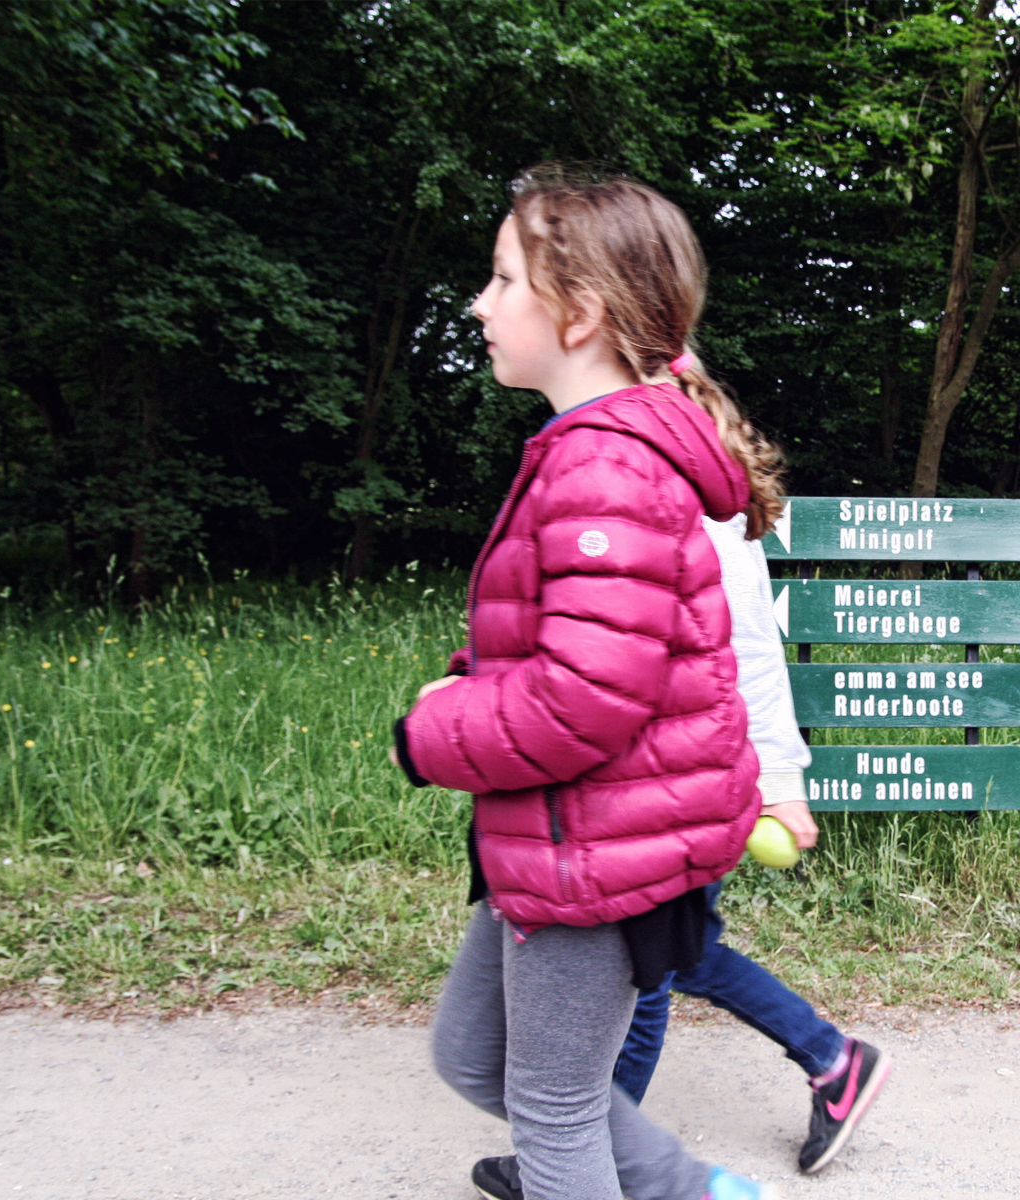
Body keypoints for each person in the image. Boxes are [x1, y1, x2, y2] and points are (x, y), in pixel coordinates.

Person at [392, 164, 785, 1200]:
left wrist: (429, 733)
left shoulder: (603, 466)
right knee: (472, 1059)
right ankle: (690, 1191)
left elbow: (585, 699)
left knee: (555, 1115)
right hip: (561, 831)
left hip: (591, 850)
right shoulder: (591, 452)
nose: (480, 304)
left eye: (504, 278)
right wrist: (469, 684)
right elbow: (577, 642)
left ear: (581, 315)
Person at [467, 514, 894, 1200]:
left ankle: (589, 1150)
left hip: (681, 782)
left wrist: (780, 779)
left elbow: (749, 645)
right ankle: (826, 1062)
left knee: (653, 962)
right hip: (659, 783)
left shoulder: (694, 501)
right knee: (670, 956)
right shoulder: (644, 479)